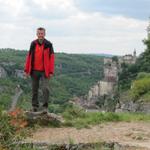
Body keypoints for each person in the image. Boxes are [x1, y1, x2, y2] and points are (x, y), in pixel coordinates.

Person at [24, 27, 55, 113]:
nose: (40, 35)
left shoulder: (48, 44)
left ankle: (45, 107)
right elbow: (29, 56)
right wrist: (26, 70)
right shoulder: (33, 43)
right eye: (39, 33)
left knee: (45, 88)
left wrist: (51, 71)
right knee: (34, 89)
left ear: (44, 34)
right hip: (34, 70)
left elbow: (52, 58)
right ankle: (35, 106)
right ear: (37, 34)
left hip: (45, 71)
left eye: (42, 33)